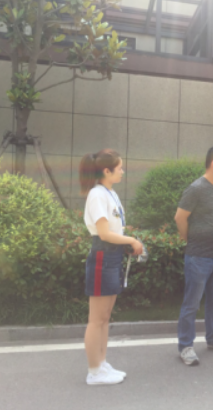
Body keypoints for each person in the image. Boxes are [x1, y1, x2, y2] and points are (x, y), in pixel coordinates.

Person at [79, 149, 144, 385]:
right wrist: (132, 241)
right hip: (103, 257)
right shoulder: (97, 194)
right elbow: (105, 234)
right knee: (97, 319)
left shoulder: (110, 193)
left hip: (112, 256)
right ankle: (94, 371)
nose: (122, 172)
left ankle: (102, 363)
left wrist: (126, 242)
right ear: (106, 171)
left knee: (105, 317)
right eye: (119, 168)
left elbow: (114, 230)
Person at [174, 146, 213, 366]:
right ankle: (185, 346)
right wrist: (188, 238)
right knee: (191, 303)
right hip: (198, 257)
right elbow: (179, 217)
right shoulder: (196, 189)